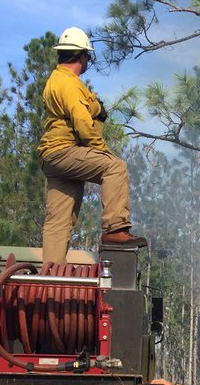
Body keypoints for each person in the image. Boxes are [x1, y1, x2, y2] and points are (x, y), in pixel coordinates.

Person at [37, 25, 145, 263]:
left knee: (58, 222)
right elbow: (83, 123)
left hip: (52, 157)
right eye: (87, 57)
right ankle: (115, 229)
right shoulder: (69, 83)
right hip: (64, 152)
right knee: (115, 167)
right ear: (81, 56)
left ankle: (51, 274)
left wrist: (96, 107)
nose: (87, 61)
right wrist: (103, 152)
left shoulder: (56, 80)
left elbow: (84, 107)